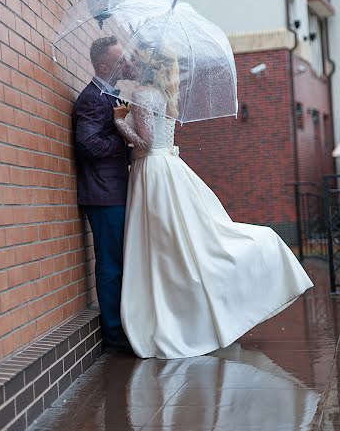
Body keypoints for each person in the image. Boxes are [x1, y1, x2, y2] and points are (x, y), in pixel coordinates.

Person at [113, 47, 314, 359]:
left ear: (146, 66)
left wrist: (121, 123)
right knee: (181, 244)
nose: (131, 61)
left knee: (164, 248)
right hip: (165, 169)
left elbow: (146, 141)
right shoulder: (162, 94)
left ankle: (177, 315)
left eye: (136, 58)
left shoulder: (142, 94)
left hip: (152, 172)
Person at [75, 36, 133, 352]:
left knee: (119, 262)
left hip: (115, 193)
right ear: (102, 64)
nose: (125, 63)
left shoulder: (110, 96)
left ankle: (121, 326)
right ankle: (113, 335)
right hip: (103, 195)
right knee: (110, 265)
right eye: (119, 58)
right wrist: (122, 141)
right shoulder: (91, 98)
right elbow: (88, 144)